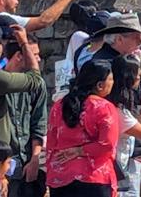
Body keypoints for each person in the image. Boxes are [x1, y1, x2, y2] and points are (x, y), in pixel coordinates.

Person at [45, 60, 120, 197]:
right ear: (100, 85)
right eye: (111, 79)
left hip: (61, 178)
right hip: (93, 177)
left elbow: (51, 144)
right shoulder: (104, 107)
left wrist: (51, 173)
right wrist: (80, 150)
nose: (113, 82)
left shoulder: (58, 106)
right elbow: (107, 145)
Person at [106, 56, 141, 197]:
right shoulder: (118, 108)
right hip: (116, 166)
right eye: (138, 74)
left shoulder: (118, 104)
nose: (139, 78)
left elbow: (133, 127)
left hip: (122, 164)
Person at [1, 36, 47, 197]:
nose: (39, 59)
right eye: (34, 55)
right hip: (1, 165)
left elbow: (38, 124)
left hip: (26, 164)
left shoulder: (37, 86)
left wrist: (35, 159)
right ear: (19, 56)